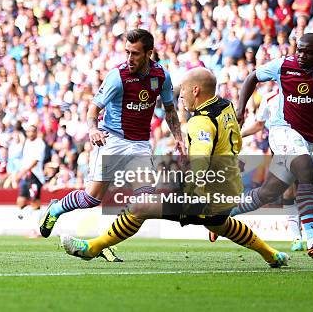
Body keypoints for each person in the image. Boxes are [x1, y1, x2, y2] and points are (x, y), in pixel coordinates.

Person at [61, 68, 290, 268]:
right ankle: (272, 255)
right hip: (230, 188)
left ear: (196, 91)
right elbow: (236, 140)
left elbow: (200, 160)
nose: (180, 98)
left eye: (183, 93)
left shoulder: (199, 122)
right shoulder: (225, 107)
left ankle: (91, 248)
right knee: (220, 225)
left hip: (207, 193)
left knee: (140, 206)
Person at [39, 29, 184, 238]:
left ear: (149, 53)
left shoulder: (161, 76)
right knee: (92, 199)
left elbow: (170, 110)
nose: (129, 59)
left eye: (135, 53)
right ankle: (55, 208)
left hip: (140, 144)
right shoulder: (117, 77)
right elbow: (93, 110)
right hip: (112, 140)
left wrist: (178, 138)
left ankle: (103, 243)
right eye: (127, 52)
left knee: (144, 203)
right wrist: (93, 129)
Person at [230, 33, 313, 257]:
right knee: (307, 171)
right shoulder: (283, 65)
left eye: (309, 52)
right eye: (300, 50)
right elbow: (252, 77)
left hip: (306, 137)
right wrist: (240, 109)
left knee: (268, 192)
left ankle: (223, 215)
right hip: (282, 129)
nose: (303, 55)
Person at [234, 89, 305, 252]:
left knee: (299, 190)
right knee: (286, 191)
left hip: (301, 146)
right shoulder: (270, 97)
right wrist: (239, 135)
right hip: (280, 148)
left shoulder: (303, 94)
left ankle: (308, 235)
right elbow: (259, 124)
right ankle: (298, 237)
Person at [15, 125, 46, 231]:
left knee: (35, 202)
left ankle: (36, 229)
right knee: (20, 200)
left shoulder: (40, 143)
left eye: (32, 131)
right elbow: (25, 159)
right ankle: (32, 215)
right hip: (26, 176)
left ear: (36, 132)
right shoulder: (27, 142)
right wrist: (21, 172)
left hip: (35, 176)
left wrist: (23, 172)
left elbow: (36, 161)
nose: (30, 134)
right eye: (28, 132)